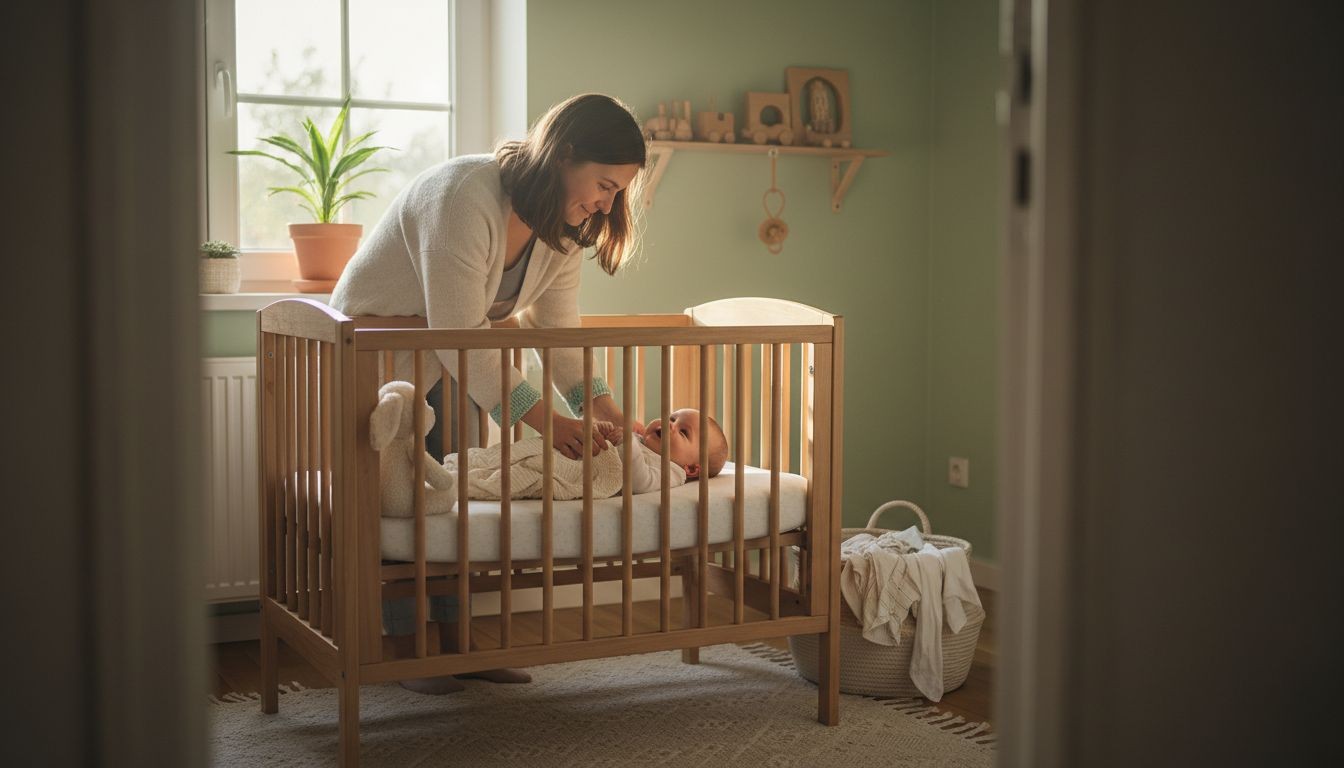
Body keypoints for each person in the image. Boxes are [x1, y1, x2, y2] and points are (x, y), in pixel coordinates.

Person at [329, 93, 647, 694]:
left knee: (452, 512)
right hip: (372, 366)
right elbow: (461, 331)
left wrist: (603, 409)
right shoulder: (463, 198)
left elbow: (556, 333)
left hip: (442, 364)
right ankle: (406, 650)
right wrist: (548, 423)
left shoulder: (565, 228)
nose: (606, 204)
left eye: (617, 194)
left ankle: (458, 646)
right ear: (565, 154)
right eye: (604, 185)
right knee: (399, 505)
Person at [442, 407, 730, 502]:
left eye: (682, 432)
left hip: (578, 472)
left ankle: (462, 483)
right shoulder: (639, 440)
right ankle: (465, 468)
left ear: (692, 468)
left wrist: (625, 441)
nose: (669, 425)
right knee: (518, 454)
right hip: (573, 454)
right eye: (671, 417)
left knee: (527, 472)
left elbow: (638, 482)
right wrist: (602, 430)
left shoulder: (673, 473)